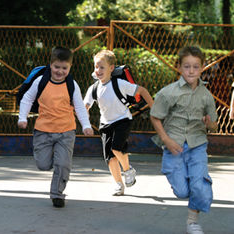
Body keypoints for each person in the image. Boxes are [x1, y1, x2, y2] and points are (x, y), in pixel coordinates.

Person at [150, 46, 218, 234]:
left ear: (202, 67)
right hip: (174, 146)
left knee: (199, 185)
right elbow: (155, 116)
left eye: (196, 67)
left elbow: (214, 126)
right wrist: (166, 140)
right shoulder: (168, 92)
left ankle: (192, 222)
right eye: (187, 66)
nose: (191, 71)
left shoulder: (206, 95)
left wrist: (209, 123)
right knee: (182, 191)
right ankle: (194, 190)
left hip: (198, 145)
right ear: (179, 67)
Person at [18, 46, 94, 208]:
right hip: (43, 131)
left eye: (64, 68)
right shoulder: (41, 82)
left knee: (63, 164)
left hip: (66, 131)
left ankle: (57, 194)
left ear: (70, 67)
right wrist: (22, 118)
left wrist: (86, 125)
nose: (60, 71)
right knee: (43, 164)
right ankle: (56, 162)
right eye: (56, 67)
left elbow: (79, 107)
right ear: (50, 65)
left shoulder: (71, 85)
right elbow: (27, 99)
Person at [83, 50, 154, 196]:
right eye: (96, 67)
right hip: (105, 124)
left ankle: (128, 170)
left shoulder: (120, 84)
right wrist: (86, 120)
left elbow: (142, 90)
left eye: (102, 67)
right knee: (110, 158)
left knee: (117, 148)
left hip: (123, 119)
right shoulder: (94, 88)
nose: (98, 70)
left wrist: (154, 108)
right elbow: (86, 106)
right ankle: (118, 184)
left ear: (111, 68)